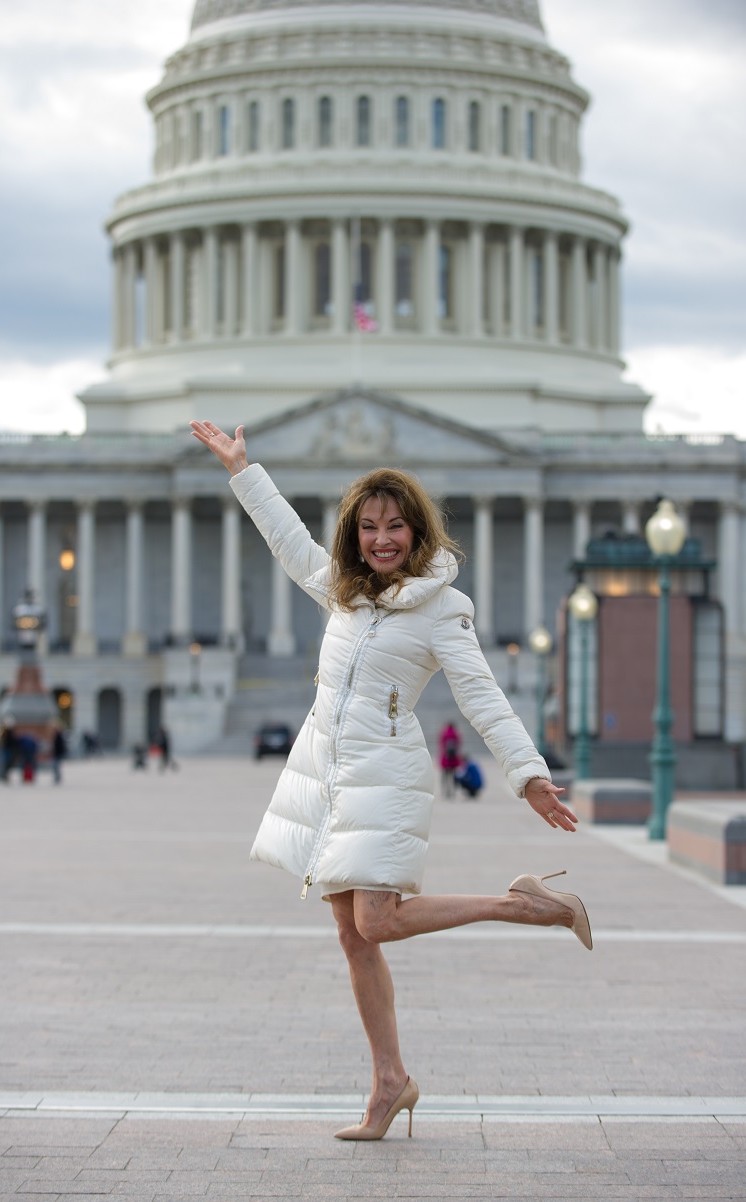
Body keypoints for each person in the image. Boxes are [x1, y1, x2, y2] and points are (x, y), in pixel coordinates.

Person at [190, 419, 593, 1143]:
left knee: (375, 921)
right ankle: (389, 1084)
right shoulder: (342, 591)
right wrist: (242, 469)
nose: (382, 539)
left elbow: (483, 696)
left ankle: (524, 904)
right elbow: (288, 543)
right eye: (370, 527)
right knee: (354, 937)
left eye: (396, 527)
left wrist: (527, 774)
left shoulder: (443, 610)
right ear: (355, 533)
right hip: (330, 772)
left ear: (417, 533)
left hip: (386, 772)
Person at [438, 721, 461, 798]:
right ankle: (453, 791)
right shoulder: (455, 734)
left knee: (445, 776)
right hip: (453, 759)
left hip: (445, 758)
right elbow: (459, 745)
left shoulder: (444, 734)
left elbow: (441, 745)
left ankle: (445, 791)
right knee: (453, 776)